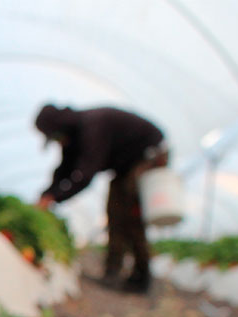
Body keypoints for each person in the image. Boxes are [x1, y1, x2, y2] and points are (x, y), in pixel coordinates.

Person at [34, 104, 169, 294]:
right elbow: (64, 169)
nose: (58, 142)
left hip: (148, 156)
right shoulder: (73, 137)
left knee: (131, 216)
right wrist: (47, 194)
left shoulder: (92, 126)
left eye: (55, 137)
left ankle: (142, 277)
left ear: (61, 127)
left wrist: (56, 197)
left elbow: (85, 175)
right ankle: (112, 273)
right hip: (125, 166)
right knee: (114, 212)